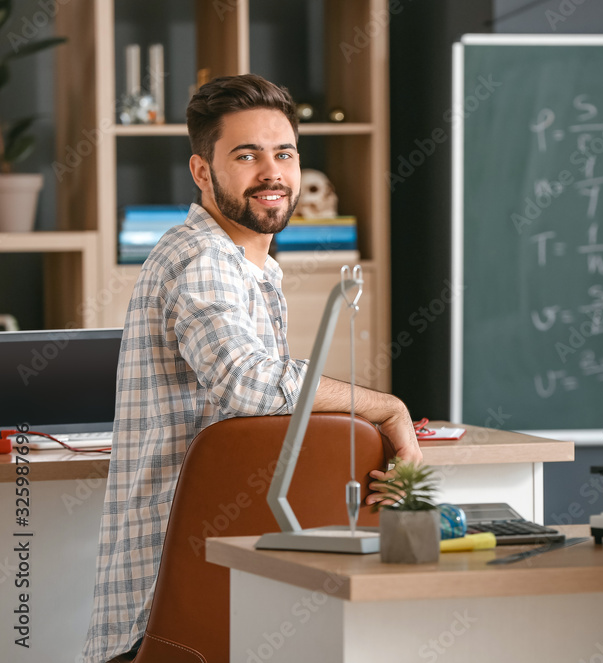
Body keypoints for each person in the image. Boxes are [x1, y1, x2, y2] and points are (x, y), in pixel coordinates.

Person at [82, 74, 421, 663]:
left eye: (284, 153)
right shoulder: (204, 258)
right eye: (247, 155)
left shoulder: (249, 267)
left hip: (220, 596)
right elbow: (247, 383)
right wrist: (387, 407)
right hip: (165, 610)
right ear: (202, 171)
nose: (273, 172)